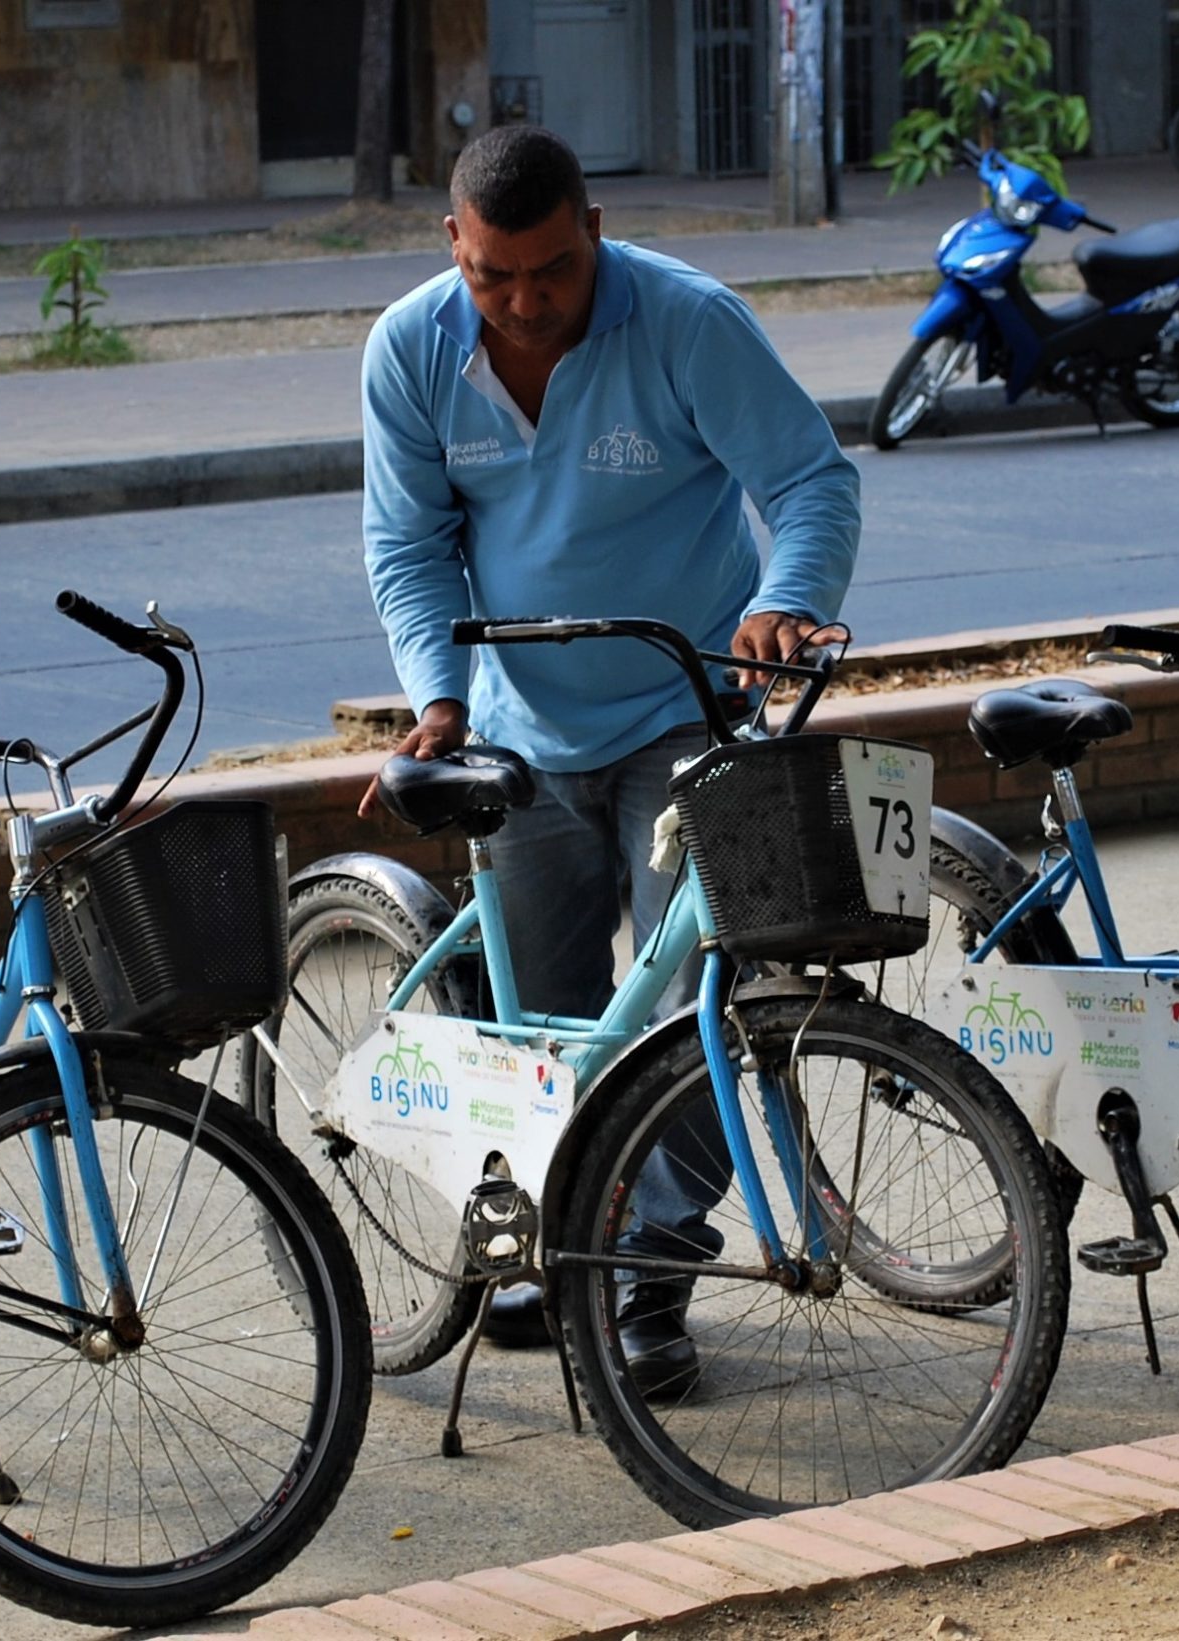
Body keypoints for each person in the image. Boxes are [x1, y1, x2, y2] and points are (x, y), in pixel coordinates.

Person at [359, 125, 861, 1387]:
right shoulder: (409, 349)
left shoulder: (688, 322)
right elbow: (409, 549)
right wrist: (436, 696)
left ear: (591, 227)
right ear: (452, 247)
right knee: (543, 1023)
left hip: (686, 711)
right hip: (514, 727)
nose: (523, 303)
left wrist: (785, 599)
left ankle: (653, 1276)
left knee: (682, 1016)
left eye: (549, 271)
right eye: (493, 277)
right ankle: (542, 1240)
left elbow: (808, 481)